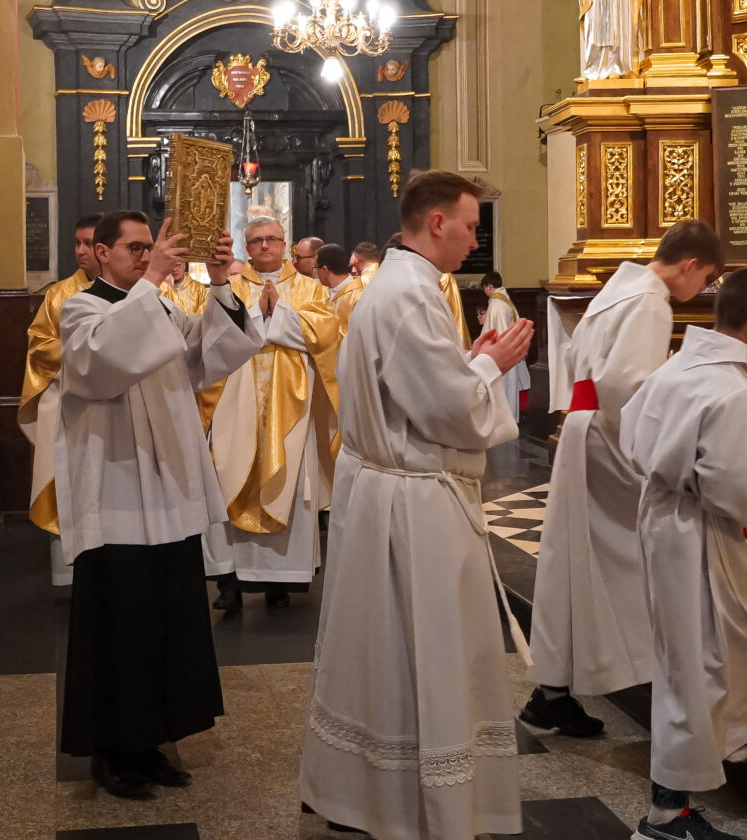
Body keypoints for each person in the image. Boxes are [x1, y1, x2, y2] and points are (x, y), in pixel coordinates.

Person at [299, 171, 535, 840]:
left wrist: (468, 362)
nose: (474, 238)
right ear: (436, 223)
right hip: (412, 503)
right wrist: (488, 368)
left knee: (383, 649)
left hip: (390, 492)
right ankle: (409, 798)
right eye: (470, 225)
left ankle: (370, 791)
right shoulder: (409, 293)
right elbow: (449, 409)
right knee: (423, 651)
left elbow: (421, 386)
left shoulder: (400, 285)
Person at [55, 210, 262, 799]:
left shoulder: (162, 309)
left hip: (168, 492)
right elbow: (101, 363)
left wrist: (219, 282)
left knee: (169, 624)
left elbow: (212, 355)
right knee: (121, 628)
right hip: (117, 496)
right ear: (101, 253)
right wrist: (153, 283)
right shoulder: (81, 310)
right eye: (136, 248)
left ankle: (154, 741)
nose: (147, 257)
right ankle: (113, 752)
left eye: (151, 248)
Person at [523, 221, 721, 737]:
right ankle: (671, 684)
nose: (702, 289)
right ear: (689, 265)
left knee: (574, 562)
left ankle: (552, 692)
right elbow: (628, 387)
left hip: (585, 429)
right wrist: (666, 450)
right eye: (705, 278)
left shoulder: (618, 288)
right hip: (613, 437)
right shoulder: (651, 301)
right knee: (651, 557)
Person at [623, 269, 747, 840]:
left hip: (665, 520)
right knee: (699, 663)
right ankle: (666, 816)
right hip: (698, 532)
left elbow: (634, 433)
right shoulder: (731, 390)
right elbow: (731, 489)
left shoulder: (677, 366)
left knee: (696, 656)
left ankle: (738, 736)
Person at [208, 214, 341, 612]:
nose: (265, 245)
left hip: (291, 407)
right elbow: (212, 335)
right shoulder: (229, 285)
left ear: (285, 245)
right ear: (246, 248)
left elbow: (326, 337)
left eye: (272, 239)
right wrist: (257, 315)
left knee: (289, 481)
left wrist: (277, 315)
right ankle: (231, 581)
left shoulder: (309, 288)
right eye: (256, 240)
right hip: (236, 403)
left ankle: (279, 581)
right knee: (229, 475)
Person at [20, 213, 104, 586]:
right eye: (77, 243)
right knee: (70, 482)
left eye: (89, 243)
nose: (81, 251)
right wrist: (87, 355)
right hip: (70, 404)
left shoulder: (134, 291)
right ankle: (71, 572)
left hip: (114, 407)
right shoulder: (58, 294)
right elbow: (39, 344)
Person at [479, 272, 533, 428]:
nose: (485, 292)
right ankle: (509, 419)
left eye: (484, 288)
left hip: (501, 355)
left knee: (502, 389)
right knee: (509, 389)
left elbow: (493, 332)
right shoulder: (506, 301)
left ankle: (502, 421)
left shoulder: (496, 305)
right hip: (510, 352)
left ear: (489, 287)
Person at [313, 242, 363, 329]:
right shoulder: (323, 292)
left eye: (315, 268)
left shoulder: (357, 297)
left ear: (324, 269)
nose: (315, 272)